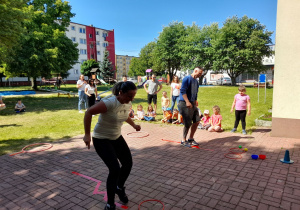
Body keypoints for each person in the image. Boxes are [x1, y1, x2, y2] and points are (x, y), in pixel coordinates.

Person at [83, 81, 141, 210]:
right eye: (129, 96)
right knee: (114, 169)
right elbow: (88, 112)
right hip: (101, 138)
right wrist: (87, 134)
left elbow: (124, 116)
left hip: (116, 137)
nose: (131, 99)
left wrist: (134, 125)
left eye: (133, 96)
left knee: (127, 163)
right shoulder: (109, 103)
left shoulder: (127, 102)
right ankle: (110, 203)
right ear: (120, 93)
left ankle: (119, 187)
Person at [178, 67, 203, 147]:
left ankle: (191, 138)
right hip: (185, 103)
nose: (200, 75)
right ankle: (183, 140)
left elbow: (196, 93)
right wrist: (187, 101)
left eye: (201, 74)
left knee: (196, 121)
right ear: (195, 71)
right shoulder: (187, 78)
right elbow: (182, 91)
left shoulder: (196, 81)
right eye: (199, 73)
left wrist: (195, 101)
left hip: (192, 103)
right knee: (188, 123)